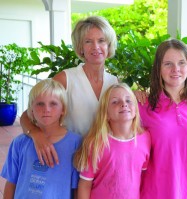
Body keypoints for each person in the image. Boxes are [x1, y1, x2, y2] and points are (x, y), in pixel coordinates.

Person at [20, 16, 118, 167]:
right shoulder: (66, 78)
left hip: (102, 162)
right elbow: (28, 115)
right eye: (88, 41)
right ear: (80, 47)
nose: (95, 47)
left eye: (101, 40)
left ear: (109, 45)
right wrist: (36, 135)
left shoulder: (114, 82)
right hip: (68, 158)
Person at [138, 39, 187, 199]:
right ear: (158, 68)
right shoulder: (143, 105)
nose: (176, 69)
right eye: (168, 64)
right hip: (156, 192)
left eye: (181, 63)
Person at [1, 79, 81, 199]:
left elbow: (76, 189)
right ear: (31, 110)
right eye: (40, 104)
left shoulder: (75, 143)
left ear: (63, 109)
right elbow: (11, 183)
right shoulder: (19, 143)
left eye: (53, 103)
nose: (46, 109)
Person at [74, 83, 151, 199]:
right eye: (115, 102)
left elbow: (143, 178)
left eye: (129, 100)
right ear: (106, 114)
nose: (124, 104)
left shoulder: (145, 138)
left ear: (136, 110)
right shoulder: (95, 143)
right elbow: (85, 184)